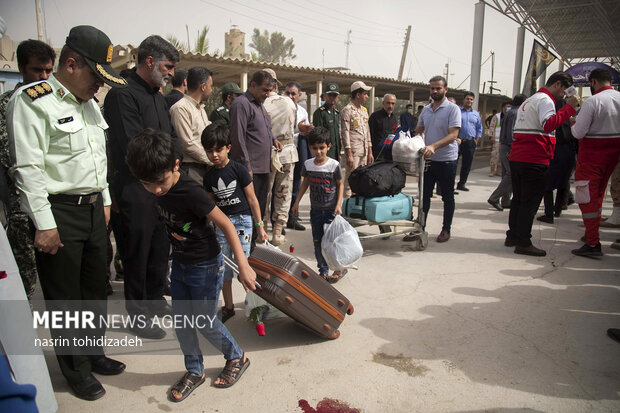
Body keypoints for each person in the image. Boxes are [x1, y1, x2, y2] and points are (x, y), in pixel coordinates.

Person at [7, 25, 127, 401]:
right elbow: (28, 169)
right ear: (71, 64)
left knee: (94, 290)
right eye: (96, 76)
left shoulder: (88, 102)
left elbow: (96, 158)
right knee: (65, 298)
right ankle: (75, 369)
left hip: (92, 210)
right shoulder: (32, 100)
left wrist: (105, 200)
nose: (99, 86)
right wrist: (44, 224)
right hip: (58, 212)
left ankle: (92, 353)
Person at [125, 128, 255, 403]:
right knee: (182, 321)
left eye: (161, 182)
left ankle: (236, 356)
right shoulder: (156, 185)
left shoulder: (191, 191)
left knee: (205, 320)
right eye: (148, 184)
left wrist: (243, 265)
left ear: (175, 165)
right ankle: (194, 370)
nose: (157, 190)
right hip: (181, 263)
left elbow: (226, 224)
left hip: (206, 265)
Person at [104, 35, 180, 339]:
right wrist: (164, 163)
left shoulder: (157, 96)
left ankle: (154, 299)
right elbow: (134, 145)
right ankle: (137, 314)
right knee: (137, 252)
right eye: (168, 66)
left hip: (163, 186)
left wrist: (172, 165)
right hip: (135, 187)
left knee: (160, 247)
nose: (171, 72)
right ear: (149, 62)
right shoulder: (122, 95)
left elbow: (171, 137)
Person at [0, 39, 55, 299]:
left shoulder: (57, 102)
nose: (43, 77)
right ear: (22, 68)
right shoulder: (7, 104)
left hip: (57, 200)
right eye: (37, 70)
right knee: (24, 274)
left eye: (48, 71)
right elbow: (10, 158)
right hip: (22, 204)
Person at [506, 71, 579, 256]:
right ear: (558, 85)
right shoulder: (546, 101)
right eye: (564, 91)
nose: (563, 96)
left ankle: (513, 235)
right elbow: (548, 125)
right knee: (529, 203)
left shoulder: (530, 100)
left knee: (519, 200)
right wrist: (569, 108)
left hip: (519, 157)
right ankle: (523, 242)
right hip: (534, 158)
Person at [202, 122, 268, 323]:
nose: (214, 155)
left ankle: (255, 306)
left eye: (219, 150)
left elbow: (252, 199)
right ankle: (228, 307)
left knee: (244, 266)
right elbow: (210, 205)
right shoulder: (209, 177)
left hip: (242, 223)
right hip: (222, 226)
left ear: (228, 148)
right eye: (209, 151)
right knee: (224, 268)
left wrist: (260, 226)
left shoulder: (238, 169)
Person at [404, 75, 460, 243]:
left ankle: (446, 229)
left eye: (438, 88)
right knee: (424, 196)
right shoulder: (426, 110)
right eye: (432, 88)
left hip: (447, 160)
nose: (435, 91)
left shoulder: (452, 109)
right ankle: (420, 228)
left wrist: (434, 146)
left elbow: (453, 134)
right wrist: (411, 139)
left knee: (447, 196)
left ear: (445, 89)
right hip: (428, 160)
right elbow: (419, 129)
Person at [570, 68, 620, 257]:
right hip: (612, 158)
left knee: (587, 199)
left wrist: (572, 121)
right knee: (598, 196)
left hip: (591, 158)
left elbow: (578, 133)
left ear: (593, 82)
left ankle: (592, 242)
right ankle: (591, 234)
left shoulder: (593, 101)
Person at [291, 126, 344, 283]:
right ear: (310, 148)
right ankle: (323, 270)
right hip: (316, 211)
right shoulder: (308, 165)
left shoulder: (334, 165)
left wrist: (338, 204)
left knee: (332, 242)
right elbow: (305, 183)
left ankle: (338, 268)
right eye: (315, 148)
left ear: (329, 146)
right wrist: (297, 202)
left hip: (331, 211)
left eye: (322, 148)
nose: (318, 152)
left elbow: (340, 184)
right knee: (317, 241)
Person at [229, 70, 282, 225]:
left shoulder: (259, 105)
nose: (267, 94)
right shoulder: (241, 104)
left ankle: (252, 245)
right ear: (253, 85)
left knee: (258, 210)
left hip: (263, 168)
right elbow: (238, 138)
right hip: (251, 170)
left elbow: (261, 129)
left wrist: (273, 140)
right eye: (264, 90)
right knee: (246, 214)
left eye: (269, 91)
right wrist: (246, 167)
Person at [263, 69, 297, 246]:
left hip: (267, 152)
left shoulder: (260, 103)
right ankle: (278, 231)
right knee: (284, 192)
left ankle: (264, 228)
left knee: (265, 192)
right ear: (276, 85)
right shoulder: (289, 102)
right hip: (287, 152)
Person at [536, 97, 577, 223]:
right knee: (563, 183)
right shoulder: (571, 121)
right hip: (569, 154)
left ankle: (549, 214)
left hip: (555, 154)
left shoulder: (555, 121)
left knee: (548, 185)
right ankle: (558, 210)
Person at [170, 66, 213, 184]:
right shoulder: (180, 108)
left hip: (205, 168)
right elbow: (187, 144)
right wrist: (211, 159)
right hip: (192, 169)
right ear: (203, 87)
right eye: (210, 86)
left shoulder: (201, 109)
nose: (211, 90)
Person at [488, 94, 526, 211]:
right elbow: (512, 133)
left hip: (505, 145)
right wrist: (514, 147)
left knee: (506, 174)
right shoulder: (515, 113)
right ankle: (494, 197)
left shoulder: (509, 113)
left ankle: (505, 200)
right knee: (512, 173)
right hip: (509, 147)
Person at [285, 81, 313, 231]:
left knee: (296, 185)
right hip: (283, 152)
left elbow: (305, 130)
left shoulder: (303, 112)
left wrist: (306, 130)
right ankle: (278, 222)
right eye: (287, 93)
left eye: (293, 93)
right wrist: (298, 128)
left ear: (299, 95)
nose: (290, 96)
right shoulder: (280, 109)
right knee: (280, 187)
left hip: (298, 151)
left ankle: (292, 218)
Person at [341, 80, 374, 198]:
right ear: (358, 94)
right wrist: (349, 154)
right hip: (354, 151)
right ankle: (345, 204)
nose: (367, 96)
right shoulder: (347, 110)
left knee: (361, 178)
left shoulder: (364, 111)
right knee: (351, 178)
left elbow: (367, 131)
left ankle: (356, 203)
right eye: (365, 94)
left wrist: (370, 151)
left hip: (364, 151)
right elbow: (345, 133)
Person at [455, 92, 483, 191]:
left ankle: (461, 184)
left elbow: (479, 128)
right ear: (464, 100)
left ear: (473, 101)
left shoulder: (475, 114)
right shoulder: (457, 111)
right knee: (453, 164)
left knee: (467, 165)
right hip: (458, 142)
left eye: (471, 99)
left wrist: (476, 140)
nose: (469, 101)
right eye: (467, 99)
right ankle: (450, 185)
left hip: (470, 142)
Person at [312, 82, 341, 161]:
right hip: (325, 153)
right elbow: (318, 135)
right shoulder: (320, 112)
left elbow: (337, 136)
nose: (332, 97)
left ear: (337, 97)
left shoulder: (336, 113)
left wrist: (338, 153)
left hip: (335, 153)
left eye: (334, 95)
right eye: (329, 95)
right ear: (325, 96)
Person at [369, 93, 398, 159]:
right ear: (383, 103)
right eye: (388, 103)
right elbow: (369, 135)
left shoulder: (394, 118)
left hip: (389, 154)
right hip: (376, 153)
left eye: (393, 103)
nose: (390, 106)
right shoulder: (375, 116)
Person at [488, 102, 511, 176]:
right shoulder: (497, 116)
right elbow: (492, 127)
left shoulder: (510, 116)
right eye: (507, 107)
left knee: (502, 157)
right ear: (503, 107)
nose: (508, 108)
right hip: (497, 139)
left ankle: (499, 171)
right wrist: (492, 136)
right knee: (495, 155)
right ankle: (492, 171)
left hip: (505, 140)